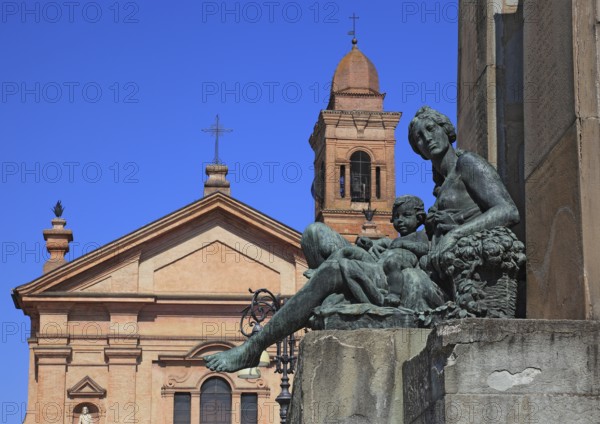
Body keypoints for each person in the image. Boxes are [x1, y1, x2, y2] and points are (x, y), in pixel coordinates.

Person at [204, 106, 519, 373]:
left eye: (432, 129)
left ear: (447, 130)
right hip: (406, 264)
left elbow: (507, 210)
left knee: (335, 268)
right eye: (419, 138)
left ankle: (255, 346)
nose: (427, 139)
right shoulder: (440, 185)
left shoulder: (468, 165)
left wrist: (454, 236)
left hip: (423, 282)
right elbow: (430, 238)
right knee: (315, 235)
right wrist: (389, 244)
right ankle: (329, 294)